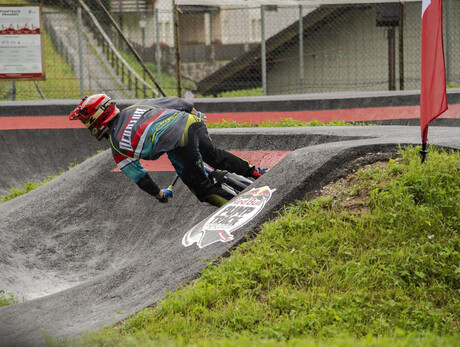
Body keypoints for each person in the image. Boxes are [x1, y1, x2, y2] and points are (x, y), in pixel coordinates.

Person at [69, 94, 264, 207]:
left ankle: (245, 208)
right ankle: (257, 172)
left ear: (97, 119)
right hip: (190, 122)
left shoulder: (116, 146)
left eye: (87, 121)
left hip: (177, 142)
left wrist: (159, 194)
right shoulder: (137, 107)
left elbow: (141, 178)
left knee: (203, 190)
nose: (87, 126)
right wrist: (196, 114)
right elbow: (177, 102)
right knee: (214, 155)